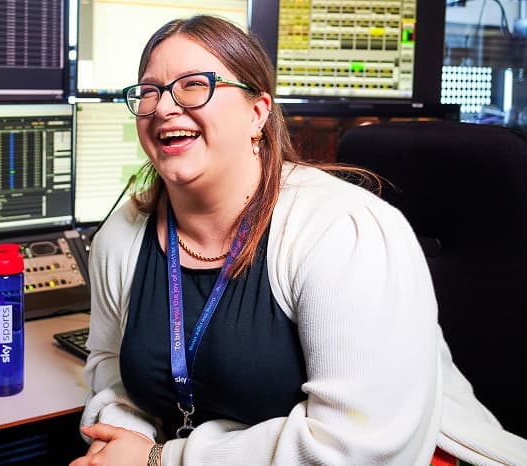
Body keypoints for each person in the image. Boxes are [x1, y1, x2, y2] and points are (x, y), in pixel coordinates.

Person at [70, 15, 527, 466]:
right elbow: (109, 366)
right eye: (150, 91)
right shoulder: (123, 235)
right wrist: (122, 438)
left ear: (257, 113)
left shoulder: (343, 229)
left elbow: (356, 448)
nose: (165, 107)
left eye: (194, 85)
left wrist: (159, 459)